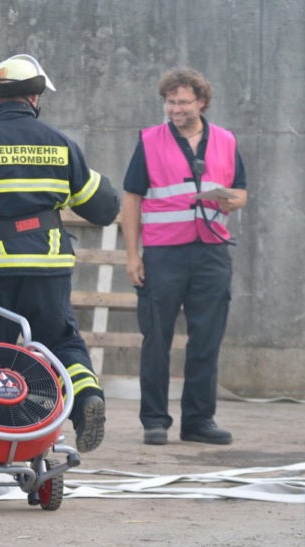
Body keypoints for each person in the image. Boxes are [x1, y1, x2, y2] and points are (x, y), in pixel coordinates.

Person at [0, 55, 120, 453]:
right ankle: (86, 400)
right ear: (34, 97)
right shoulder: (61, 144)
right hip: (49, 266)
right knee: (61, 341)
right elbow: (104, 209)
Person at [121, 67, 247, 446]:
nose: (175, 109)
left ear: (201, 102)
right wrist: (132, 256)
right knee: (156, 339)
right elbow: (132, 198)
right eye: (170, 102)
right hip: (163, 254)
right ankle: (155, 421)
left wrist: (219, 197)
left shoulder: (225, 140)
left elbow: (240, 194)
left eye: (183, 102)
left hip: (211, 252)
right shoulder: (149, 140)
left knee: (206, 339)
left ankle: (199, 421)